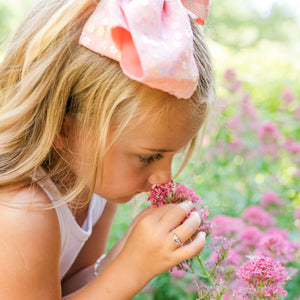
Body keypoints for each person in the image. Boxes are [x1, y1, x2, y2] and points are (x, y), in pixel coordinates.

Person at [0, 0, 215, 299]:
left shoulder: (92, 185)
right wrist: (133, 267)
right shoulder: (22, 213)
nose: (164, 178)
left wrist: (129, 251)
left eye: (171, 155)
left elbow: (74, 284)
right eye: (149, 156)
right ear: (62, 127)